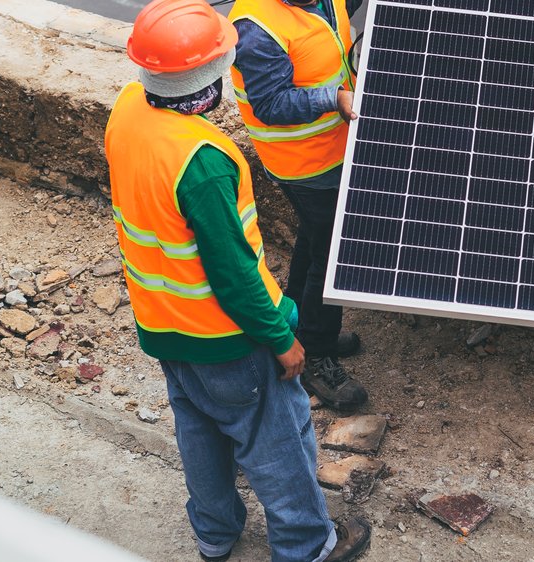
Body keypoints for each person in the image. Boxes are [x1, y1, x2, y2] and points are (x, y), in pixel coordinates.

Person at [104, 1, 370, 560]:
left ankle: (215, 533)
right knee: (278, 442)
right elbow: (233, 275)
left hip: (163, 326)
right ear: (209, 77)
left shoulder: (127, 109)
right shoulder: (202, 161)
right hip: (227, 339)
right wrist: (282, 339)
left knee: (199, 433)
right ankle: (306, 544)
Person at [228, 0, 368, 414]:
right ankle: (318, 356)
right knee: (331, 254)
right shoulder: (256, 29)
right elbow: (270, 104)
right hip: (304, 164)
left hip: (339, 147)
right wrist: (334, 98)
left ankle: (299, 327)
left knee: (313, 239)